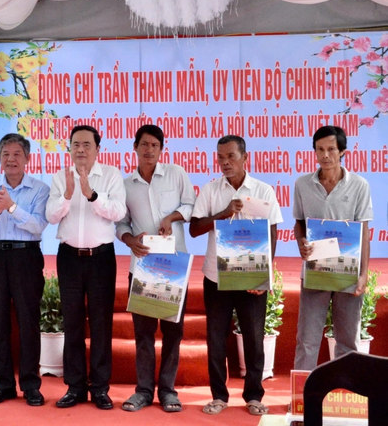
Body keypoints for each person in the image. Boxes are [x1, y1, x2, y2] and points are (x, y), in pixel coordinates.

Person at [189, 135, 282, 417]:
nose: (225, 162)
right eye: (220, 157)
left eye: (231, 156)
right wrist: (224, 212)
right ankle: (219, 396)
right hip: (216, 277)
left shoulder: (264, 190)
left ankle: (254, 395)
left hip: (251, 278)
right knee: (216, 339)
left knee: (254, 338)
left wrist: (262, 276)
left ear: (245, 158)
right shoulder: (210, 191)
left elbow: (273, 232)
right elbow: (194, 229)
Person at [45, 125, 126, 410]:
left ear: (97, 149)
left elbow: (119, 212)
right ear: (69, 148)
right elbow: (51, 216)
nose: (80, 149)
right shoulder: (60, 177)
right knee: (73, 322)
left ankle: (101, 388)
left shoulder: (112, 175)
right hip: (69, 257)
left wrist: (91, 194)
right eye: (75, 144)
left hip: (101, 258)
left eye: (86, 145)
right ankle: (75, 386)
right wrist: (68, 194)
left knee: (102, 323)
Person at [115, 125, 195, 413]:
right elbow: (121, 223)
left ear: (162, 149)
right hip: (143, 267)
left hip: (174, 266)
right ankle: (144, 391)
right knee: (144, 333)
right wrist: (129, 240)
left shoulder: (176, 174)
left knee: (173, 332)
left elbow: (190, 205)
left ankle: (169, 391)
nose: (149, 150)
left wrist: (171, 217)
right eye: (144, 144)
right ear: (135, 147)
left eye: (155, 145)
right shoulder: (125, 185)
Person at [0, 133, 49, 407]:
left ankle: (31, 384)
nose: (11, 159)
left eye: (17, 153)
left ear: (27, 159)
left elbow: (38, 226)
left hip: (26, 257)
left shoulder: (40, 189)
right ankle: (4, 384)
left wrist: (12, 207)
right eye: (6, 154)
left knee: (29, 320)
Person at [293, 126, 372, 370]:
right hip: (315, 271)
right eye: (320, 149)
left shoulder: (359, 185)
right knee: (307, 339)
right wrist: (301, 243)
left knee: (347, 340)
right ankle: (302, 394)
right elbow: (299, 223)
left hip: (347, 272)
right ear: (314, 151)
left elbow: (363, 232)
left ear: (342, 152)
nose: (325, 155)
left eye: (331, 149)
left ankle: (346, 392)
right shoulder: (302, 184)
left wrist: (364, 274)